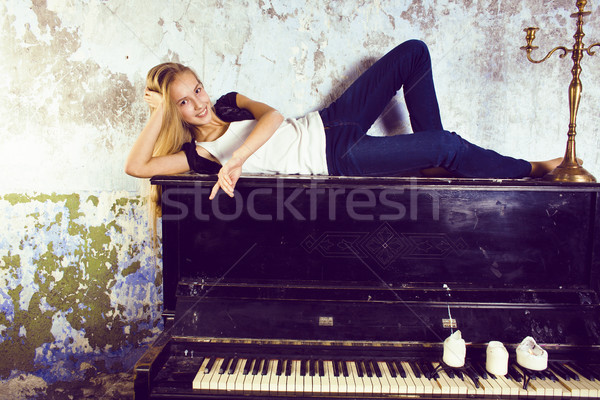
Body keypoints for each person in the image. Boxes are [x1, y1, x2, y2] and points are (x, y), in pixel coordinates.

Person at [125, 40, 563, 206]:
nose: (198, 104)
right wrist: (158, 111)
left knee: (414, 53)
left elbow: (274, 116)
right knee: (449, 145)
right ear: (174, 112)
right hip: (338, 157)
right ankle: (530, 170)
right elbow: (138, 167)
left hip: (330, 121)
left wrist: (238, 156)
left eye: (196, 90)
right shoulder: (198, 156)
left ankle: (436, 162)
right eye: (183, 103)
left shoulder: (228, 103)